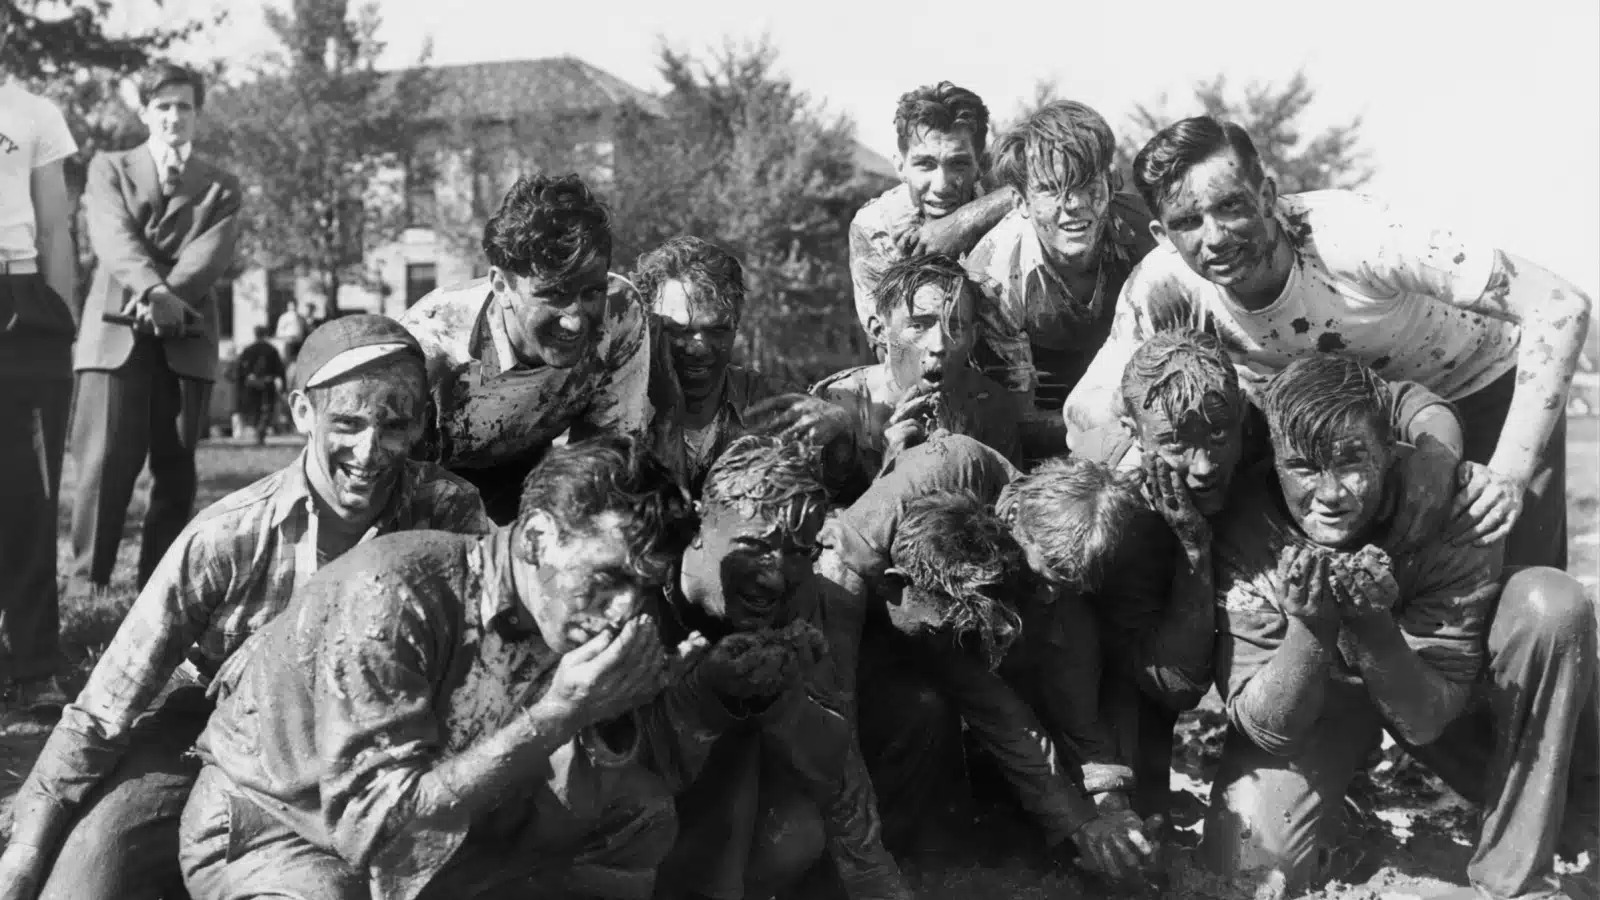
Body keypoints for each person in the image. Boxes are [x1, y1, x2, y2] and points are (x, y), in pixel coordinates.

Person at [0, 315, 491, 900]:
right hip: (200, 727)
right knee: (86, 880)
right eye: (348, 423)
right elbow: (107, 703)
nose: (370, 451)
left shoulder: (447, 513)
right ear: (302, 413)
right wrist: (27, 850)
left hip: (371, 744)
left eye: (394, 425)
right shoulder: (227, 535)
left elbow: (479, 671)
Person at [177, 435, 697, 900]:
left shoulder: (560, 604)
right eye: (609, 579)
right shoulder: (394, 594)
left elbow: (569, 798)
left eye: (645, 587)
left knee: (639, 818)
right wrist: (561, 713)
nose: (626, 609)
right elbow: (375, 829)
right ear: (536, 539)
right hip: (281, 828)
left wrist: (613, 713)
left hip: (441, 822)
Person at [1065, 116, 1593, 570]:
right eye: (1188, 222)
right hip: (1332, 429)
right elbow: (1085, 410)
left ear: (1269, 196)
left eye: (1231, 207)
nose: (1216, 236)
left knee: (1517, 590)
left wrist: (1509, 475)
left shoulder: (1353, 233)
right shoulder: (1162, 284)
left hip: (1477, 387)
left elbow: (1560, 304)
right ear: (1161, 235)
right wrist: (1144, 456)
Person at [1202, 354, 1597, 900]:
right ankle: (1343, 811)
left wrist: (1372, 625)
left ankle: (1514, 871)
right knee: (1244, 871)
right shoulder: (1247, 521)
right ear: (1272, 461)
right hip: (1316, 695)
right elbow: (1268, 727)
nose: (1331, 493)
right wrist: (1311, 629)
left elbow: (1426, 719)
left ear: (1390, 451)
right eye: (1303, 467)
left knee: (1550, 605)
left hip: (1429, 685)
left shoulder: (1454, 504)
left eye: (1351, 461)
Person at [818, 434, 1161, 882]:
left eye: (1067, 587)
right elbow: (841, 564)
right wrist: (837, 741)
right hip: (853, 622)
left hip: (936, 639)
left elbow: (1035, 709)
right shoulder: (950, 469)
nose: (1049, 595)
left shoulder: (1055, 593)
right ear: (1017, 521)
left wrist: (1105, 814)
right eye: (1047, 576)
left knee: (932, 709)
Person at [647, 435, 908, 900]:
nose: (775, 574)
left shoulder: (794, 593)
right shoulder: (634, 591)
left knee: (794, 835)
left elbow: (834, 757)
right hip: (625, 806)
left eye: (798, 552)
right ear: (697, 528)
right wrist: (696, 698)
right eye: (754, 546)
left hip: (719, 797)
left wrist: (785, 707)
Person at [401, 173, 677, 523]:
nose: (575, 321)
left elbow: (606, 464)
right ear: (501, 285)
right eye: (554, 295)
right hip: (432, 487)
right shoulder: (431, 350)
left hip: (528, 474)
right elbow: (394, 491)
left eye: (590, 293)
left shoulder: (620, 312)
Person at [69, 61, 243, 595]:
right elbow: (112, 236)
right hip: (113, 331)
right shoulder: (108, 167)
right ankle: (87, 585)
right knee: (103, 462)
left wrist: (172, 299)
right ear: (144, 112)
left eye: (184, 106)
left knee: (177, 464)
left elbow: (210, 254)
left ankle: (159, 587)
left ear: (198, 114)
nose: (174, 117)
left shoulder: (222, 185)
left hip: (185, 335)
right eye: (163, 106)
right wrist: (153, 290)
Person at [966, 100, 1157, 411]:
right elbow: (1016, 414)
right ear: (1020, 201)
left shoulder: (1150, 238)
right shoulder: (992, 274)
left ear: (1109, 183)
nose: (1074, 204)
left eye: (1085, 183)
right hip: (1042, 402)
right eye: (1051, 189)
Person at [0, 1, 80, 721]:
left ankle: (32, 666)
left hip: (21, 302)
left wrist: (62, 321)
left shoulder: (32, 112)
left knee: (29, 492)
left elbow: (56, 225)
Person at [634, 236, 850, 494]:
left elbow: (843, 502)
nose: (700, 347)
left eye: (717, 330)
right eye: (679, 331)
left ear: (736, 326)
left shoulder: (774, 405)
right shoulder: (618, 409)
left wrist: (842, 438)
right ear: (648, 326)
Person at [812, 254, 1033, 499]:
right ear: (880, 331)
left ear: (973, 336)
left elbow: (1010, 511)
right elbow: (821, 528)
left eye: (955, 327)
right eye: (918, 325)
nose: (938, 345)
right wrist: (891, 470)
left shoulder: (987, 406)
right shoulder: (839, 410)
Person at [848, 82, 1017, 354]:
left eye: (958, 164)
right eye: (925, 165)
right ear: (900, 166)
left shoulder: (1002, 203)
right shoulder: (874, 227)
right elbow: (889, 347)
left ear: (982, 165)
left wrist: (966, 222)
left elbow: (1050, 187)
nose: (941, 184)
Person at [234, 325, 284, 444]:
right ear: (265, 334)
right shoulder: (271, 349)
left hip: (252, 384)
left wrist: (242, 383)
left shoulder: (248, 349)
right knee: (266, 410)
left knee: (255, 409)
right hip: (267, 383)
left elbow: (240, 369)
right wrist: (283, 385)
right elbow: (279, 369)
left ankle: (258, 431)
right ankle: (260, 432)